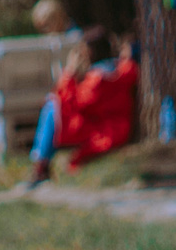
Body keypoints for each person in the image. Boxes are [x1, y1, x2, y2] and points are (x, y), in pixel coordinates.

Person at [27, 27, 138, 185]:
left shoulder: (98, 79)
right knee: (53, 105)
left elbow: (75, 103)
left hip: (103, 130)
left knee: (52, 108)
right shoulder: (122, 70)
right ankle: (41, 164)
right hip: (114, 125)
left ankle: (40, 165)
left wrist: (69, 73)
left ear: (90, 53)